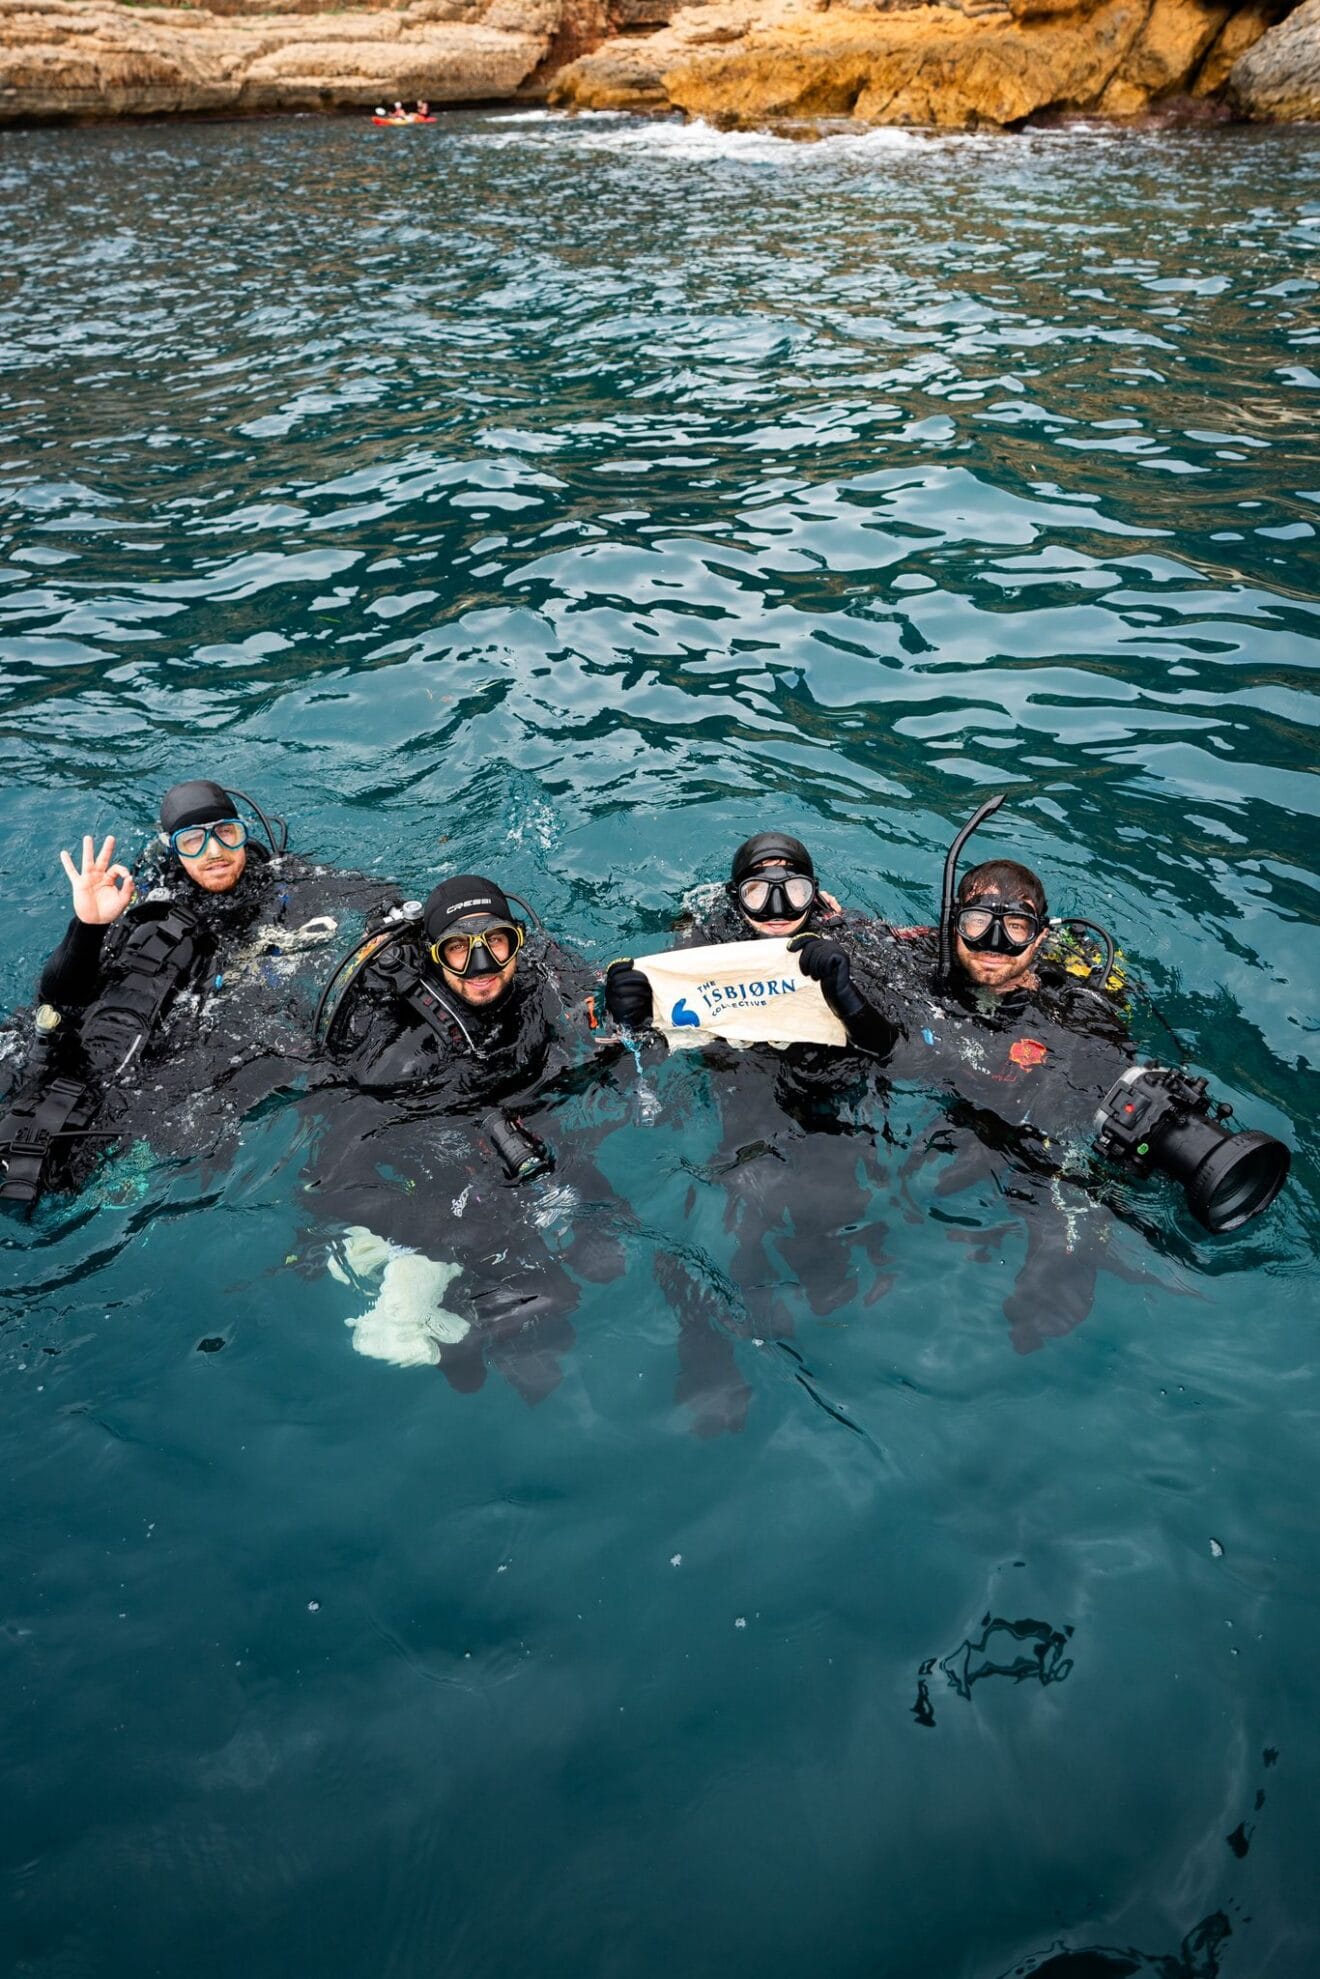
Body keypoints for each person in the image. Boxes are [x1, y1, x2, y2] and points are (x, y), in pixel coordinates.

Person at [798, 803, 1289, 1347]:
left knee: (1054, 1291)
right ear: (953, 924)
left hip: (1048, 1124)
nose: (993, 945)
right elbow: (858, 949)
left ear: (1039, 937)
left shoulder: (1074, 1003)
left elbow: (1105, 1070)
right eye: (977, 925)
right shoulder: (920, 961)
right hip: (969, 1106)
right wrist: (825, 921)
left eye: (1014, 928)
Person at [601, 832, 899, 1433]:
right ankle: (710, 1346)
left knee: (832, 1219)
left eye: (794, 892)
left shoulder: (853, 945)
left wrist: (846, 991)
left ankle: (824, 1291)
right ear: (735, 899)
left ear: (817, 896)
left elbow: (897, 1051)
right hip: (743, 1092)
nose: (778, 909)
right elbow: (637, 1054)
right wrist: (627, 1020)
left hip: (831, 1090)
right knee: (741, 1216)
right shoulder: (702, 950)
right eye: (760, 894)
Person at [306, 873, 632, 1399]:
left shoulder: (540, 985)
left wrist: (628, 1023)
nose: (482, 967)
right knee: (501, 1303)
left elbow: (605, 1053)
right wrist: (438, 1230)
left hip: (525, 1131)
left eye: (496, 943)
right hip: (438, 1171)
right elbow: (329, 1185)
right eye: (458, 949)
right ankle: (483, 1319)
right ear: (435, 957)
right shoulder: (399, 1057)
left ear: (517, 942)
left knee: (609, 1263)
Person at [0, 779, 364, 1207]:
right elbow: (58, 1000)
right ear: (174, 850)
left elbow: (373, 899)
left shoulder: (286, 881)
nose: (214, 851)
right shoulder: (141, 897)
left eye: (226, 832)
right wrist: (88, 925)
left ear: (243, 832)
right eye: (193, 840)